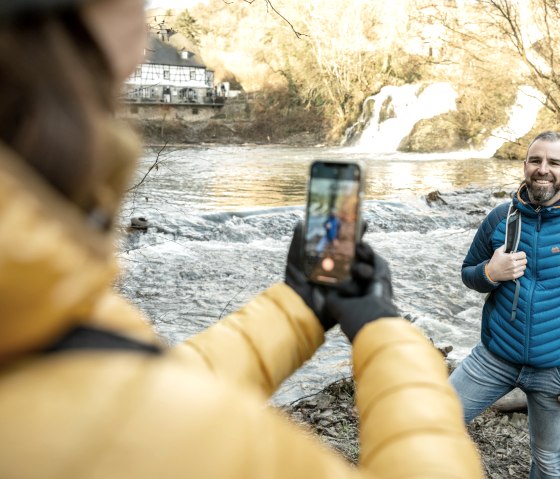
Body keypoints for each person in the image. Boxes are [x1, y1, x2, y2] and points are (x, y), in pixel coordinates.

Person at [0, 0, 483, 477]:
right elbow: (136, 410)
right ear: (71, 25)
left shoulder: (34, 307)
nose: (145, 39)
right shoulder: (132, 428)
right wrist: (384, 330)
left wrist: (298, 306)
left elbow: (131, 385)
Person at [450, 131, 560, 478]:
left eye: (554, 162)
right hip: (494, 357)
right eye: (536, 160)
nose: (543, 169)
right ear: (525, 166)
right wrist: (490, 272)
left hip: (554, 372)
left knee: (548, 464)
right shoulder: (501, 217)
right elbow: (468, 273)